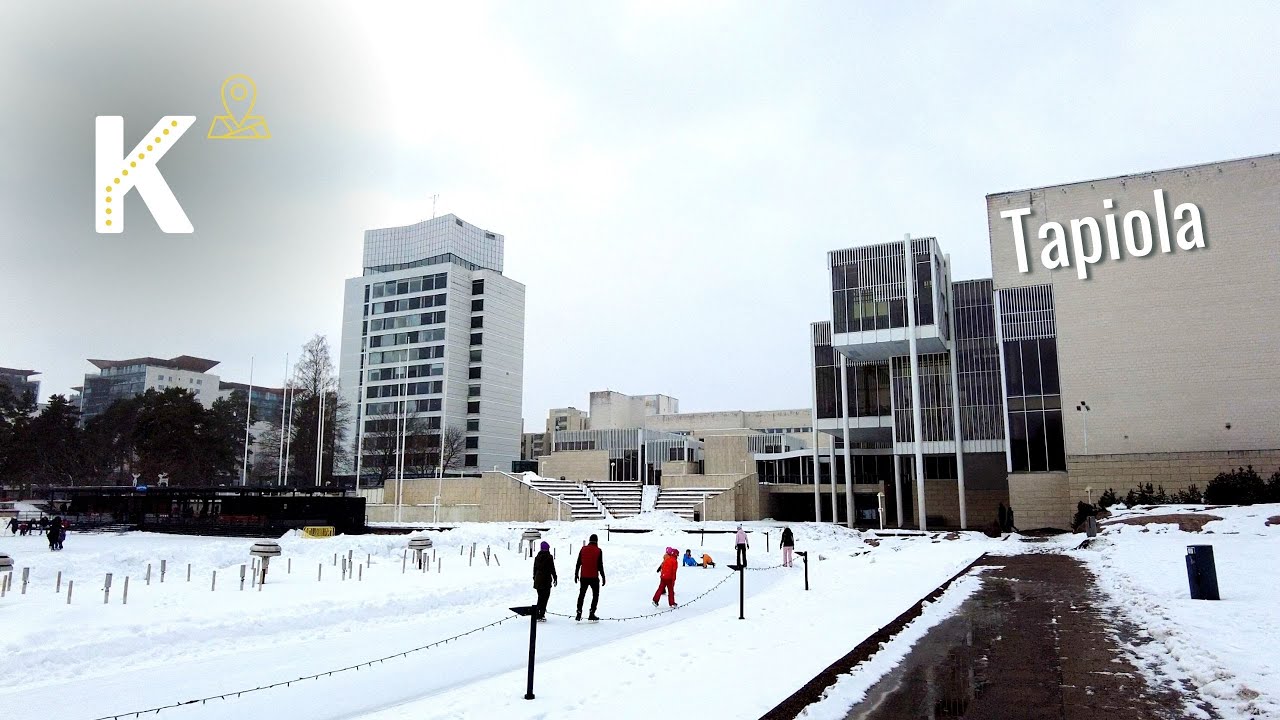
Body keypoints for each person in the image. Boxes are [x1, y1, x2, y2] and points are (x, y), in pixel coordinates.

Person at [574, 533, 606, 622]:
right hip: (594, 577)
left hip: (583, 576)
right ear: (597, 541)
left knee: (581, 595)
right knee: (595, 595)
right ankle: (592, 613)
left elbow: (578, 563)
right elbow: (600, 565)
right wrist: (603, 576)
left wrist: (576, 574)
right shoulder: (599, 551)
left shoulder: (583, 549)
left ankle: (579, 613)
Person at [532, 541, 557, 622]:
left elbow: (534, 569)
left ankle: (537, 613)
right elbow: (552, 568)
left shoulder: (537, 557)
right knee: (545, 598)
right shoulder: (549, 557)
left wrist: (534, 578)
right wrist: (555, 577)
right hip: (546, 580)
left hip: (538, 580)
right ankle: (541, 614)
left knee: (540, 597)